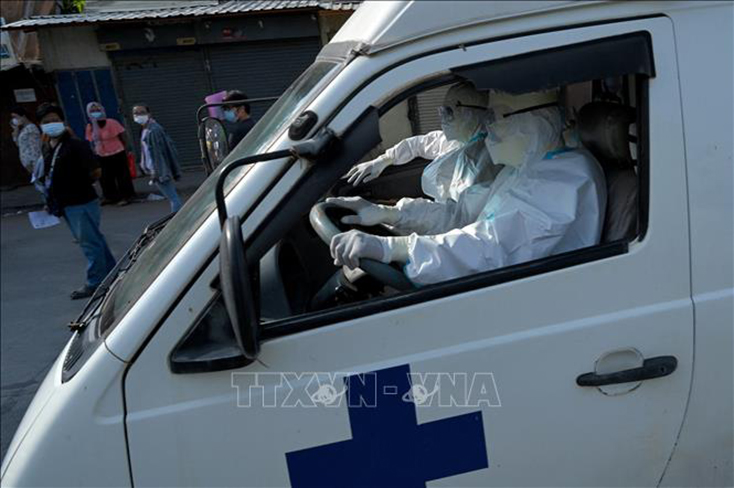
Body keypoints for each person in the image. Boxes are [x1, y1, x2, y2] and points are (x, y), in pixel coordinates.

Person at [328, 89, 607, 286]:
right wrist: (392, 215)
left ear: (536, 119)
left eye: (497, 117)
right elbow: (463, 218)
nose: (489, 129)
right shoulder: (524, 169)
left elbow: (491, 247)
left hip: (530, 302)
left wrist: (395, 248)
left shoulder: (566, 179)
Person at [35, 103, 117, 299]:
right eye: (46, 122)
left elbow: (95, 171)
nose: (51, 125)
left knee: (89, 243)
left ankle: (95, 282)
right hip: (64, 204)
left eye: (55, 120)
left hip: (81, 201)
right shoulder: (48, 147)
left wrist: (77, 185)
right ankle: (112, 275)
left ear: (63, 122)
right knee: (94, 240)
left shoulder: (75, 145)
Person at [132, 104, 183, 213]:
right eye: (136, 113)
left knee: (173, 197)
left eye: (142, 112)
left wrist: (157, 171)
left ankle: (177, 219)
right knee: (172, 196)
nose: (138, 115)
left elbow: (158, 153)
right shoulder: (146, 130)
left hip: (159, 170)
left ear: (149, 114)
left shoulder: (154, 130)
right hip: (156, 170)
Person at [85, 101, 135, 206]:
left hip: (117, 151)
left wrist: (127, 149)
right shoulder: (90, 126)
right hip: (101, 154)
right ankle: (110, 196)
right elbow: (90, 141)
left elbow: (123, 136)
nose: (95, 112)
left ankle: (126, 196)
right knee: (105, 177)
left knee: (122, 175)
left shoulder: (112, 122)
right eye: (92, 111)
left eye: (97, 110)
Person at [10, 106, 42, 175]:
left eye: (15, 117)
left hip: (34, 164)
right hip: (28, 164)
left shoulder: (31, 128)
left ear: (23, 116)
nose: (14, 120)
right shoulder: (23, 129)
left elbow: (35, 148)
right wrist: (16, 130)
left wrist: (33, 163)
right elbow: (18, 145)